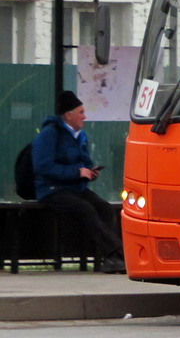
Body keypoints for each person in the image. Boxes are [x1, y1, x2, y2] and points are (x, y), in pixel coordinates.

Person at [32, 91, 125, 274]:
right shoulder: (49, 134)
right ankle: (117, 254)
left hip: (75, 187)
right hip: (53, 190)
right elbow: (43, 167)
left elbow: (84, 161)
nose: (84, 116)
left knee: (104, 207)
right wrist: (76, 172)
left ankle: (111, 258)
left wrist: (90, 171)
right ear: (69, 115)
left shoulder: (79, 135)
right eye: (81, 112)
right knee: (85, 209)